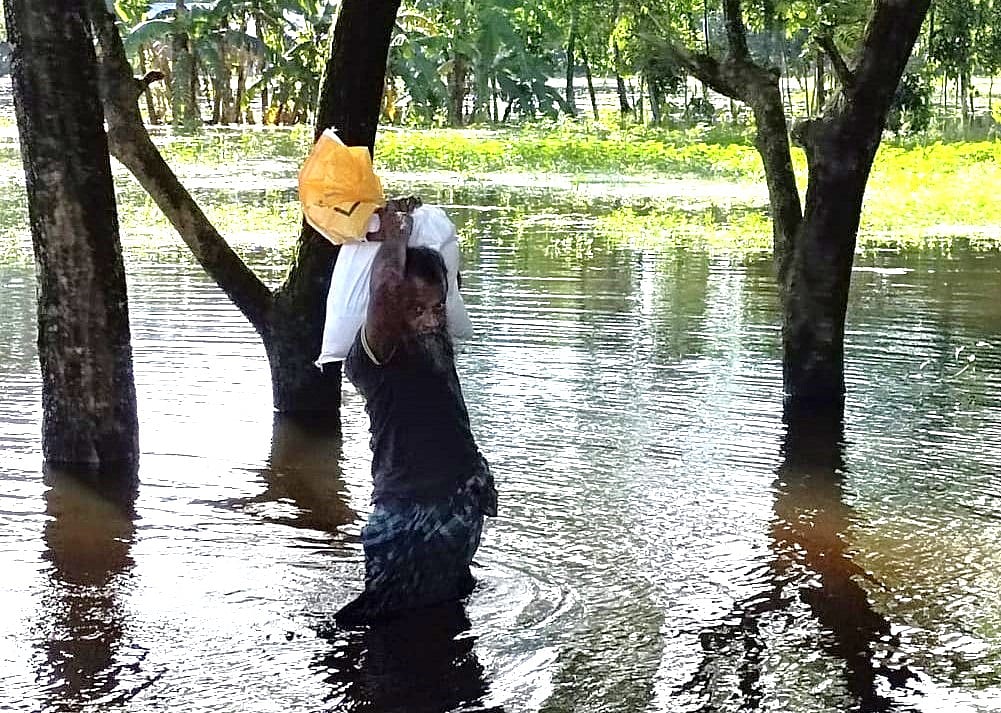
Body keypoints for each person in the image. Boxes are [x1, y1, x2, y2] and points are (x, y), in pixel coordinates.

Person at [335, 205, 497, 625]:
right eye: (416, 310)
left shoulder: (436, 339)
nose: (430, 320)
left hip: (461, 499)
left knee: (444, 608)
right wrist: (396, 231)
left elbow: (448, 287)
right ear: (390, 311)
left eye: (436, 308)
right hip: (410, 514)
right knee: (385, 626)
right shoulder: (377, 355)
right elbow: (388, 286)